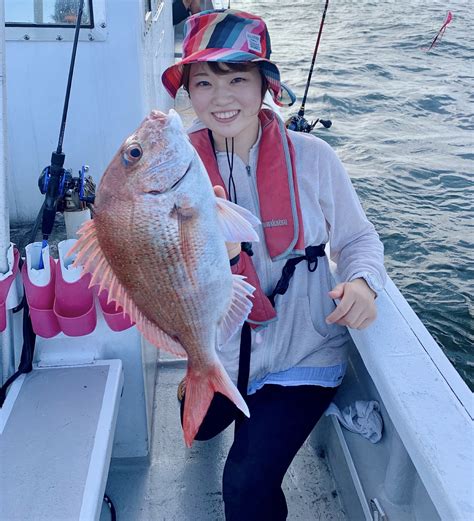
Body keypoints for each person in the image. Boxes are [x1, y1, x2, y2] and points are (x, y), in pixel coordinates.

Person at [161, 9, 387, 521]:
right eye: (204, 81)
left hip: (302, 356)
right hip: (220, 353)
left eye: (238, 78)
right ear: (188, 92)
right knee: (194, 431)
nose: (221, 98)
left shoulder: (315, 158)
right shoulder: (173, 171)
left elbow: (359, 239)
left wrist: (363, 284)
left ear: (265, 84)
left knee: (244, 481)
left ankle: (296, 409)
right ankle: (201, 388)